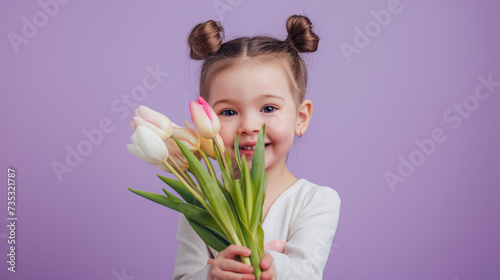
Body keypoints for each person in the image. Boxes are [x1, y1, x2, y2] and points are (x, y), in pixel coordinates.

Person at [173, 14, 341, 280]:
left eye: (269, 108)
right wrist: (210, 275)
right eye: (228, 112)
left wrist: (272, 263)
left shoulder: (315, 201)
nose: (249, 125)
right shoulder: (201, 204)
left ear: (301, 118)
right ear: (205, 120)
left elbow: (306, 273)